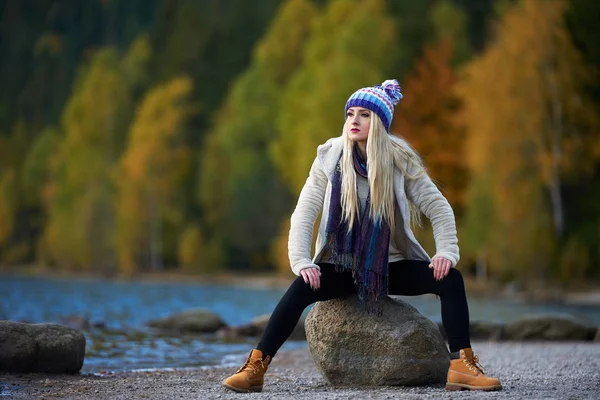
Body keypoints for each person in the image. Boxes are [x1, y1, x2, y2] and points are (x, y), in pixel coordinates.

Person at [222, 79, 502, 393]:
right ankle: (255, 367)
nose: (354, 120)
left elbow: (437, 206)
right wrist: (302, 261)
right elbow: (305, 210)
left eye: (364, 115)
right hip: (340, 267)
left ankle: (461, 366)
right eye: (350, 113)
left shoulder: (399, 159)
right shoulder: (329, 156)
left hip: (386, 268)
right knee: (301, 287)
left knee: (451, 280)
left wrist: (446, 253)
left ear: (380, 122)